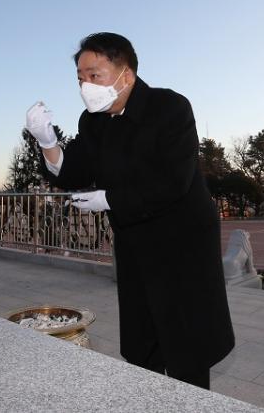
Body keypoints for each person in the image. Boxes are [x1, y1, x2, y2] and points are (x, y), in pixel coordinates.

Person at [25, 32, 234, 389]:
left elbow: (173, 182)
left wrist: (110, 199)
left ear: (126, 75)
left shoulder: (169, 107)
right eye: (80, 78)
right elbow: (74, 170)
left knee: (186, 342)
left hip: (182, 240)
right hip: (135, 237)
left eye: (95, 75)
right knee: (142, 337)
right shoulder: (93, 121)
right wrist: (47, 142)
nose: (85, 86)